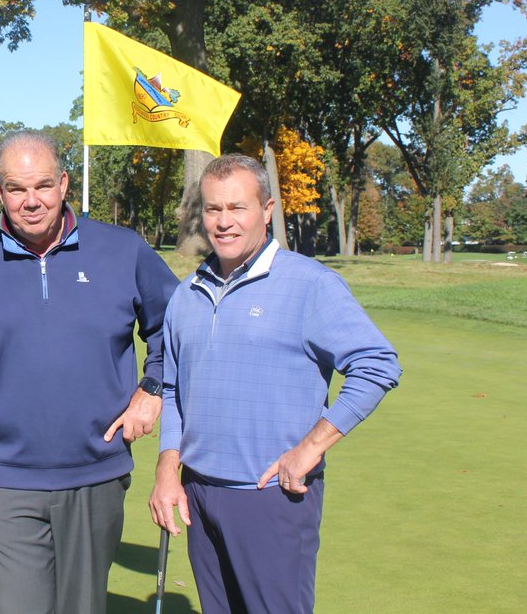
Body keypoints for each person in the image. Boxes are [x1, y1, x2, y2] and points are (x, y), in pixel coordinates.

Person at [0, 130, 179, 614]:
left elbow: (178, 325)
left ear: (64, 184)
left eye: (42, 185)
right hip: (2, 479)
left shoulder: (122, 250)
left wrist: (154, 386)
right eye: (16, 189)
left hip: (96, 473)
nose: (31, 201)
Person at [149, 154, 402, 614]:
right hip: (199, 495)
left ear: (266, 210)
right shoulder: (186, 295)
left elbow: (377, 365)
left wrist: (311, 447)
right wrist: (168, 471)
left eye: (237, 207)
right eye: (212, 209)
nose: (223, 222)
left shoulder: (311, 285)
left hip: (271, 498)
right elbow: (172, 392)